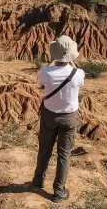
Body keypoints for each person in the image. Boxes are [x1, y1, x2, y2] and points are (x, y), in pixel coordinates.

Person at [32, 35, 85, 203]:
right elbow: (79, 80)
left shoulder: (46, 72)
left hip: (49, 116)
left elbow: (40, 84)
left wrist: (51, 63)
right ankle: (59, 192)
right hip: (69, 118)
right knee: (64, 155)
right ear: (71, 55)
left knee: (45, 149)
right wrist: (71, 64)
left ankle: (38, 180)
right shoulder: (78, 74)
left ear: (54, 54)